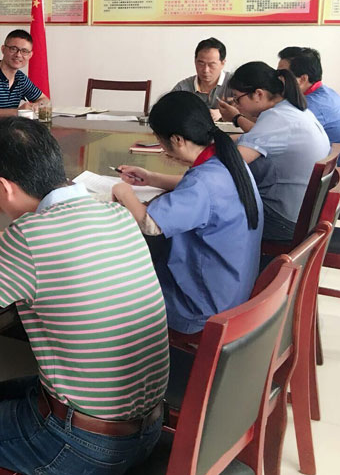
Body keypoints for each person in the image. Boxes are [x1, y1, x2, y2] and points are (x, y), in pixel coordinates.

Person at [0, 118, 169, 475]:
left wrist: (12, 241)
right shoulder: (117, 215)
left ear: (4, 186)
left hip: (86, 446)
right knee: (2, 394)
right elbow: (63, 241)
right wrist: (5, 240)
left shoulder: (30, 236)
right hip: (149, 426)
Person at [112, 91, 263, 334]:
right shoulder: (228, 160)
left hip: (201, 309)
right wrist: (151, 177)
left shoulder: (202, 184)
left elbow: (150, 223)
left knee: (113, 281)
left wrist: (123, 191)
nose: (162, 148)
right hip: (233, 292)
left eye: (161, 141)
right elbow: (201, 192)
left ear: (178, 140)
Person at [217, 62, 330, 241]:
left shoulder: (276, 118)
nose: (237, 105)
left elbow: (229, 164)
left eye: (238, 99)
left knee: (210, 211)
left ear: (258, 94)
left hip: (281, 221)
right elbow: (258, 137)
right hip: (302, 217)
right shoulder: (294, 110)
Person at [0, 29, 48, 116]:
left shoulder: (21, 78)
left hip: (10, 124)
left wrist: (36, 106)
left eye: (24, 51)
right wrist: (18, 112)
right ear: (3, 49)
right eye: (13, 49)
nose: (18, 55)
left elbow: (44, 99)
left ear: (30, 55)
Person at [278, 47, 340, 142]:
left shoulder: (310, 106)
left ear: (302, 79)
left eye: (282, 74)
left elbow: (275, 135)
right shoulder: (327, 92)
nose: (278, 78)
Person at [170, 37, 233, 119]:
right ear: (195, 61)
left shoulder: (235, 84)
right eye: (201, 63)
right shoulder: (182, 88)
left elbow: (248, 113)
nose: (206, 70)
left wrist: (224, 113)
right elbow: (166, 113)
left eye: (211, 65)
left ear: (222, 63)